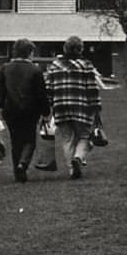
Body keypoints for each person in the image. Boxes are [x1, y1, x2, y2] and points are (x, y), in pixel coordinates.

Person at [0, 39, 51, 183]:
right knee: (30, 140)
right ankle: (24, 164)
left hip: (10, 109)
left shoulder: (5, 68)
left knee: (16, 141)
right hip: (30, 110)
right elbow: (41, 94)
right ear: (30, 53)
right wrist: (46, 111)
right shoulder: (35, 70)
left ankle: (18, 171)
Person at [44, 35, 104, 180]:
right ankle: (78, 158)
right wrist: (96, 107)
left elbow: (48, 89)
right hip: (82, 107)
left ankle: (72, 170)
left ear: (65, 48)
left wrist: (48, 108)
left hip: (61, 108)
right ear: (81, 49)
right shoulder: (86, 65)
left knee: (67, 139)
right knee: (85, 136)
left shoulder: (54, 66)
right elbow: (92, 89)